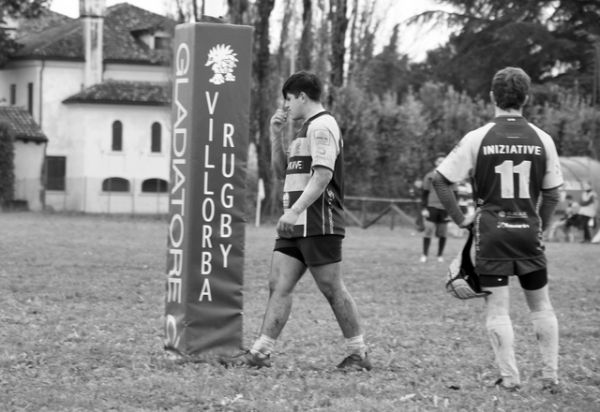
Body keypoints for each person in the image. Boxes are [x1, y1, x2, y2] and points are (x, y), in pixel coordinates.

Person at [432, 67, 563, 392]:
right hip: (528, 232)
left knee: (498, 308)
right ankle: (550, 377)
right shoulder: (543, 139)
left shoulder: (478, 137)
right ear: (527, 98)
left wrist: (461, 219)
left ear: (492, 97)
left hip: (492, 234)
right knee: (541, 305)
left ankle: (510, 378)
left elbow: (440, 180)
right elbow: (553, 193)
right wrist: (541, 226)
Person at [235, 71, 371, 370]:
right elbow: (282, 171)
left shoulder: (323, 126)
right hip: (295, 224)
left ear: (301, 96)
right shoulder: (303, 129)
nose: (286, 107)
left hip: (317, 220)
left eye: (288, 100)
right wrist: (275, 135)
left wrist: (294, 210)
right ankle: (260, 352)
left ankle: (359, 354)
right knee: (278, 284)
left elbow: (323, 175)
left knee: (331, 288)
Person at [420, 153, 455, 262]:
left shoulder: (451, 176)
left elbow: (455, 195)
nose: (442, 163)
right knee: (428, 230)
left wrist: (452, 210)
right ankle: (424, 255)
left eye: (444, 161)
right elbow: (424, 193)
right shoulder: (429, 176)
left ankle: (440, 255)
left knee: (442, 233)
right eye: (439, 161)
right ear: (436, 163)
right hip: (431, 207)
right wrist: (424, 208)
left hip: (445, 208)